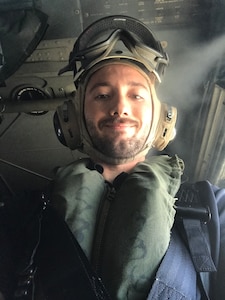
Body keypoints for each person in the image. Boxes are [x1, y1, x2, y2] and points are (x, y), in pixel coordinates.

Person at [0, 15, 225, 300]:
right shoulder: (21, 217)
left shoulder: (213, 210)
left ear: (162, 117)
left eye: (137, 96)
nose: (120, 106)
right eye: (103, 95)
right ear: (72, 117)